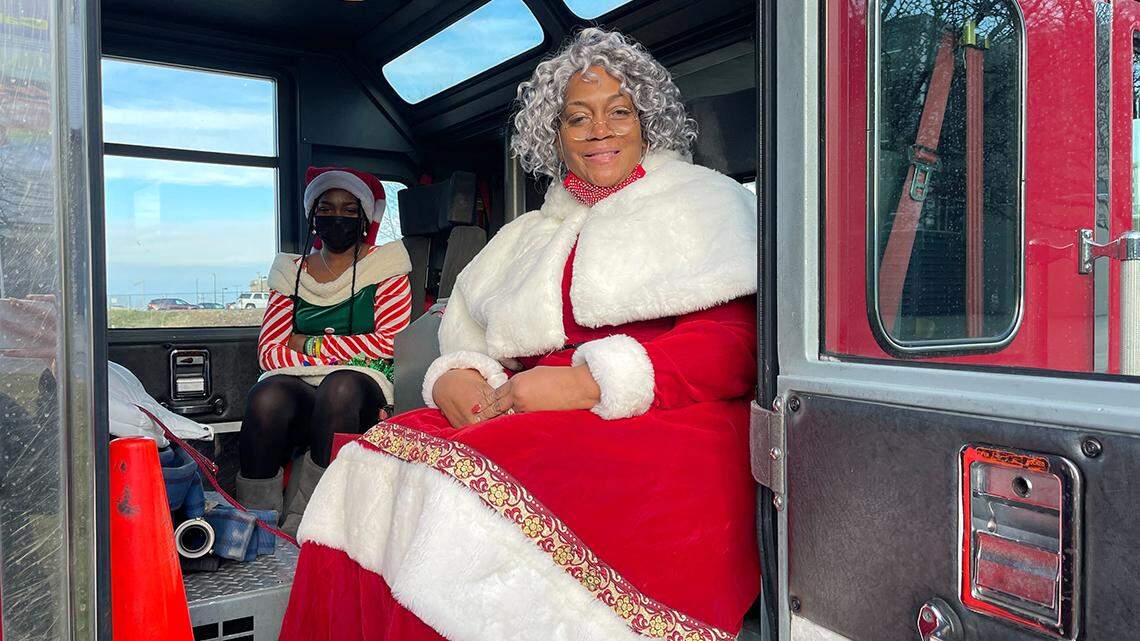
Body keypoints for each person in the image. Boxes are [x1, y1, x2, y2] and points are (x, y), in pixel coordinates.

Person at [280, 28, 760, 640]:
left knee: (459, 498)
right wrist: (457, 374)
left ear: (648, 121)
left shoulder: (703, 203)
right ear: (555, 135)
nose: (600, 130)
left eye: (619, 112)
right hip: (531, 400)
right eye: (577, 118)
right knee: (368, 460)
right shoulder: (530, 232)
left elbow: (734, 345)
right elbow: (475, 341)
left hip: (666, 409)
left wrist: (589, 383)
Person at [236, 167, 413, 535]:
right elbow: (270, 352)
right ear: (313, 216)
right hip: (301, 383)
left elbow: (388, 343)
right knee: (266, 395)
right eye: (327, 208)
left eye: (350, 210)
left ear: (364, 218)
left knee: (340, 387)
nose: (337, 217)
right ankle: (255, 522)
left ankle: (312, 520)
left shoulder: (387, 266)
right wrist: (345, 351)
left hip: (366, 384)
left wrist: (308, 343)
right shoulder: (290, 271)